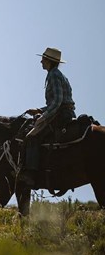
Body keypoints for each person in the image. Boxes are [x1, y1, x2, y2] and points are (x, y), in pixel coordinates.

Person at [19, 47, 75, 187]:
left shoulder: (53, 75)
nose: (41, 61)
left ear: (49, 61)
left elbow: (57, 101)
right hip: (64, 112)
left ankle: (31, 173)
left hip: (60, 114)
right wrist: (39, 110)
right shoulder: (57, 74)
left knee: (32, 136)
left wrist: (43, 117)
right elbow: (58, 102)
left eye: (43, 58)